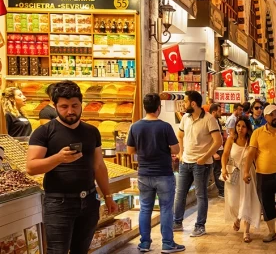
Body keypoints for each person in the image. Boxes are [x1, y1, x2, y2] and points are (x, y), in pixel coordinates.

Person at [26, 80, 117, 254]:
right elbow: (31, 167)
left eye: (75, 105)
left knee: (81, 250)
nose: (70, 111)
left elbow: (99, 166)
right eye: (64, 106)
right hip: (58, 203)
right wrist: (58, 158)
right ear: (55, 106)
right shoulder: (44, 132)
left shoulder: (92, 131)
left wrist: (108, 196)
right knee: (57, 251)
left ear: (81, 104)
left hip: (89, 201)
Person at [126, 94, 184, 253]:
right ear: (159, 107)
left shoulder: (135, 126)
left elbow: (130, 150)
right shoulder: (165, 127)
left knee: (145, 209)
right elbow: (176, 149)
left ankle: (144, 243)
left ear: (145, 107)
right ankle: (167, 244)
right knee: (166, 208)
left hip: (144, 173)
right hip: (164, 173)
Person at [243, 104, 276, 243]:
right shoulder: (258, 133)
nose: (275, 117)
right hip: (263, 175)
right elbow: (251, 154)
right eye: (271, 114)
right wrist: (246, 171)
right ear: (265, 117)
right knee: (267, 204)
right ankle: (272, 232)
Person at [173, 91, 223, 237]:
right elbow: (180, 135)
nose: (184, 104)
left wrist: (205, 157)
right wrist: (181, 152)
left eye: (186, 101)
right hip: (185, 162)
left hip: (202, 164)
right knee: (180, 193)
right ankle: (177, 222)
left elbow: (218, 141)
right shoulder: (185, 118)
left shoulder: (209, 119)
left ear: (193, 103)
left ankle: (200, 226)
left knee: (200, 195)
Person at [221, 117, 260, 243]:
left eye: (243, 126)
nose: (240, 128)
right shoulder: (231, 140)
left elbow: (256, 158)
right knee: (233, 201)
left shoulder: (251, 141)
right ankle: (237, 218)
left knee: (247, 200)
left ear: (247, 128)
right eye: (238, 125)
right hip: (234, 172)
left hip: (247, 173)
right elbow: (225, 155)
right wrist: (223, 169)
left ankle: (246, 231)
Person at [209, 104, 227, 198]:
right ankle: (221, 191)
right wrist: (214, 153)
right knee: (217, 171)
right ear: (213, 112)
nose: (221, 113)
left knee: (221, 169)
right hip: (215, 150)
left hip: (220, 149)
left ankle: (223, 189)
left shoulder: (217, 121)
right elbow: (210, 139)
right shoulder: (210, 122)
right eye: (219, 111)